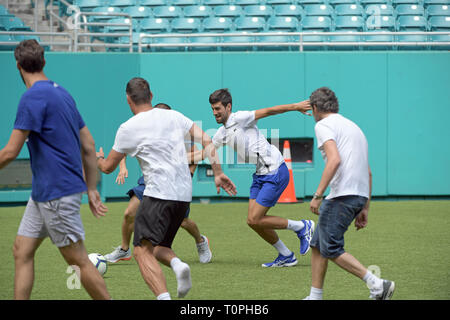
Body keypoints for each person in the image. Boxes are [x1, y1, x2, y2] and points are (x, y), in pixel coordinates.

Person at [96, 78, 236, 300]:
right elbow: (208, 140)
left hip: (157, 194)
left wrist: (99, 158)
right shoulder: (174, 116)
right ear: (151, 96)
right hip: (183, 196)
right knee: (158, 247)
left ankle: (164, 296)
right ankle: (178, 265)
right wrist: (218, 172)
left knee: (141, 251)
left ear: (128, 100)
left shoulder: (128, 127)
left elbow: (107, 168)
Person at [0, 40, 110, 300]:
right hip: (43, 193)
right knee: (21, 250)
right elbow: (89, 144)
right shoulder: (63, 94)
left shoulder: (31, 98)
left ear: (17, 66)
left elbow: (10, 152)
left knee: (79, 260)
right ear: (44, 61)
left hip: (56, 193)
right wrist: (92, 187)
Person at [305, 87, 395, 300]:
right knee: (318, 244)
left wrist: (317, 195)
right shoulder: (354, 127)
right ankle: (315, 296)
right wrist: (364, 207)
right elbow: (369, 172)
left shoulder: (323, 125)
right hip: (358, 195)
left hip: (341, 195)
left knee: (331, 247)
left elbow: (334, 160)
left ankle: (377, 284)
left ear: (315, 108)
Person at [208, 88, 314, 268]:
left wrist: (295, 106)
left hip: (275, 170)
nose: (215, 113)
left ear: (228, 107)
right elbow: (207, 150)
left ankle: (302, 226)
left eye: (218, 108)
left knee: (255, 218)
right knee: (253, 221)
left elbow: (269, 111)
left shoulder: (240, 118)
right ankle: (286, 255)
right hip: (259, 175)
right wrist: (179, 158)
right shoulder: (222, 133)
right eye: (212, 109)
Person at [104, 103, 212, 265]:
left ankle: (200, 240)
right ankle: (124, 249)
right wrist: (122, 166)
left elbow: (196, 156)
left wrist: (189, 172)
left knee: (183, 221)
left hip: (176, 183)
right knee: (129, 213)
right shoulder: (146, 129)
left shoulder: (182, 135)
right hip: (150, 181)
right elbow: (123, 146)